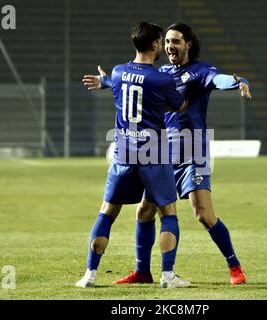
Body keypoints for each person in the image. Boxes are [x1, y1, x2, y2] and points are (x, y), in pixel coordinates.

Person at [83, 23, 251, 285]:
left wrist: (237, 81)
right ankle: (143, 272)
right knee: (144, 212)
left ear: (188, 45)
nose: (171, 46)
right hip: (160, 151)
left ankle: (234, 266)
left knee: (203, 214)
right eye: (168, 41)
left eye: (176, 42)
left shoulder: (201, 71)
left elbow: (218, 80)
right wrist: (106, 82)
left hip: (193, 149)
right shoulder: (160, 72)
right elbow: (136, 86)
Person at [75, 22, 190, 289]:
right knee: (168, 213)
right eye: (161, 42)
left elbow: (116, 82)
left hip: (124, 153)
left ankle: (89, 275)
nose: (162, 46)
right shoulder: (162, 78)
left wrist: (105, 80)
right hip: (154, 154)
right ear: (153, 45)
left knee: (106, 213)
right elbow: (181, 105)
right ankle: (168, 276)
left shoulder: (118, 72)